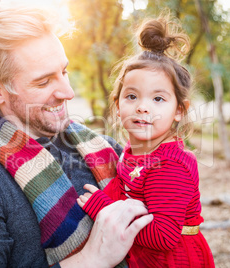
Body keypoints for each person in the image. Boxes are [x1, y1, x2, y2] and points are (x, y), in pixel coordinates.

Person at [0, 3, 153, 268]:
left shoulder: (107, 149)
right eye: (44, 81)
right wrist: (91, 259)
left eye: (64, 71)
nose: (68, 92)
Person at [77, 16, 215, 268]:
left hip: (172, 261)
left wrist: (105, 211)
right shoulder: (134, 151)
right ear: (117, 106)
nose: (142, 107)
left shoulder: (169, 166)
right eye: (131, 96)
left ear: (179, 110)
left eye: (158, 99)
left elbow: (164, 237)